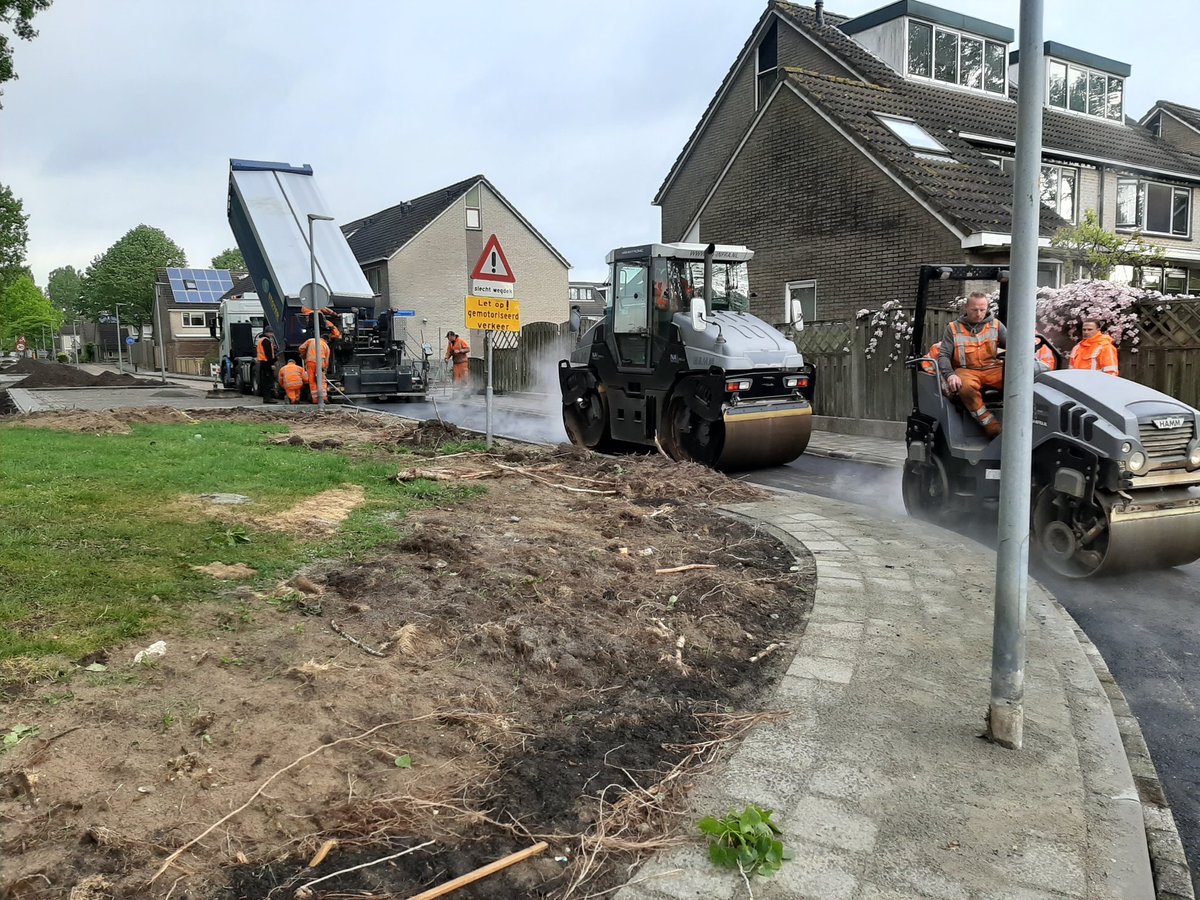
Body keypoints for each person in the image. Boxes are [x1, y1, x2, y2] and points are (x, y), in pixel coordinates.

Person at [937, 292, 1007, 438]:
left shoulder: (996, 325)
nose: (979, 313)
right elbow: (943, 355)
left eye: (982, 309)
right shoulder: (953, 329)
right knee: (964, 386)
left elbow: (1014, 346)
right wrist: (950, 375)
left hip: (993, 368)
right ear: (966, 308)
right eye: (975, 310)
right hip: (967, 371)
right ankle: (992, 426)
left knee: (1017, 379)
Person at [298, 333, 330, 404]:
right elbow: (326, 360)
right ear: (327, 340)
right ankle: (324, 398)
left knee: (312, 381)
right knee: (321, 381)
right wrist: (325, 369)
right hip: (320, 363)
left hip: (310, 362)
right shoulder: (326, 346)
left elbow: (301, 348)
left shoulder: (311, 340)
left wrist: (304, 354)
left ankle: (315, 400)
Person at [255, 326, 277, 404]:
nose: (272, 335)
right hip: (266, 363)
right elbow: (268, 354)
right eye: (271, 333)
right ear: (268, 333)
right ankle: (268, 398)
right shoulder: (266, 341)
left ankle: (267, 398)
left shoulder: (261, 340)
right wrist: (272, 363)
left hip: (263, 363)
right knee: (268, 381)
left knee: (265, 381)